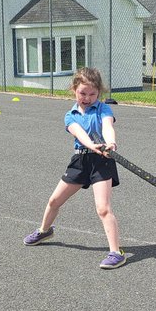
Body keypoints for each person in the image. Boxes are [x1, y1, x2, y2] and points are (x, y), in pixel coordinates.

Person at [22, 67, 125, 270]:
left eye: (92, 94)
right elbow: (79, 134)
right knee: (54, 200)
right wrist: (92, 145)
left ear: (99, 93)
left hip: (102, 161)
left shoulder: (104, 109)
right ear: (74, 90)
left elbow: (107, 127)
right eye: (82, 93)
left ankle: (116, 252)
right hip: (80, 160)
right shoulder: (70, 115)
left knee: (103, 208)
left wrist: (110, 143)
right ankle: (44, 230)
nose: (87, 98)